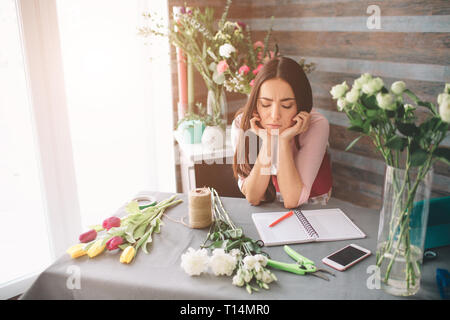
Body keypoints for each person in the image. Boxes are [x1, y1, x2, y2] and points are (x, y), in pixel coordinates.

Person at [231, 56, 332, 208]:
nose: (274, 115)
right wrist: (269, 141)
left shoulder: (317, 125)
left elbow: (293, 200)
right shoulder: (242, 124)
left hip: (312, 205)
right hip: (268, 204)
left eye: (286, 106)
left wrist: (283, 140)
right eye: (265, 104)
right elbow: (253, 197)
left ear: (300, 105)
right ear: (255, 102)